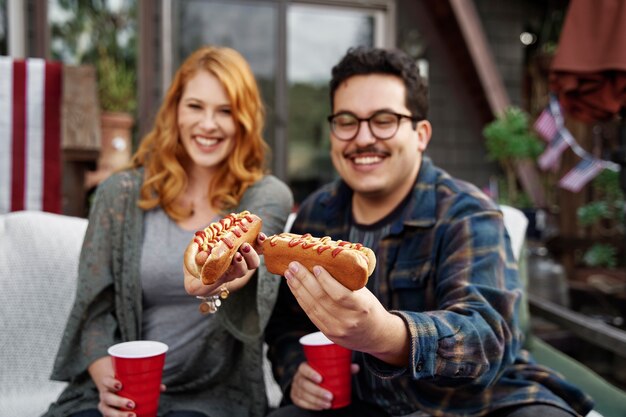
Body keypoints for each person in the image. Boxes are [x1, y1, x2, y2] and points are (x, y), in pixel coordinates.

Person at [264, 46, 593, 417]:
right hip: (363, 401)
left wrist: (386, 334)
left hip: (472, 405)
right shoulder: (317, 217)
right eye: (346, 121)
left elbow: (485, 336)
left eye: (384, 119)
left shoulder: (467, 213)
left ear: (421, 133)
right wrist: (296, 373)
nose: (362, 138)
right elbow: (287, 323)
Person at [44, 45, 293, 417]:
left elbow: (250, 273)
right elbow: (93, 309)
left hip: (213, 398)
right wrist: (109, 385)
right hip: (121, 390)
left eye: (225, 111)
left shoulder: (266, 195)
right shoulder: (120, 194)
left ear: (244, 119)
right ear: (175, 109)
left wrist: (216, 283)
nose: (208, 124)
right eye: (195, 106)